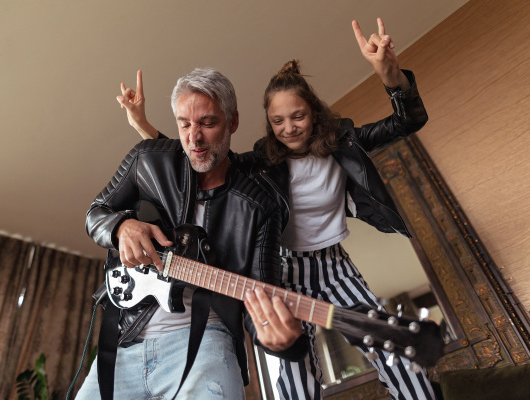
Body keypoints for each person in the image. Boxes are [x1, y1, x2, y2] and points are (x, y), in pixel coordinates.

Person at [116, 18, 437, 400]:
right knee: (294, 376)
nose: (289, 128)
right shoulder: (260, 161)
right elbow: (198, 154)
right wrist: (143, 126)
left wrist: (390, 74)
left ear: (314, 113)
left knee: (392, 350)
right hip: (281, 270)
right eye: (277, 120)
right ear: (268, 123)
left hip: (334, 265)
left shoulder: (344, 141)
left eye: (298, 117)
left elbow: (408, 120)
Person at [77, 68, 308, 400]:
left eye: (208, 124)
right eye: (184, 124)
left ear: (233, 122)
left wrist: (282, 341)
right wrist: (120, 228)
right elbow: (96, 213)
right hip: (125, 340)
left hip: (205, 341)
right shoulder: (146, 159)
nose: (193, 137)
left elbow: (262, 296)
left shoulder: (260, 206)